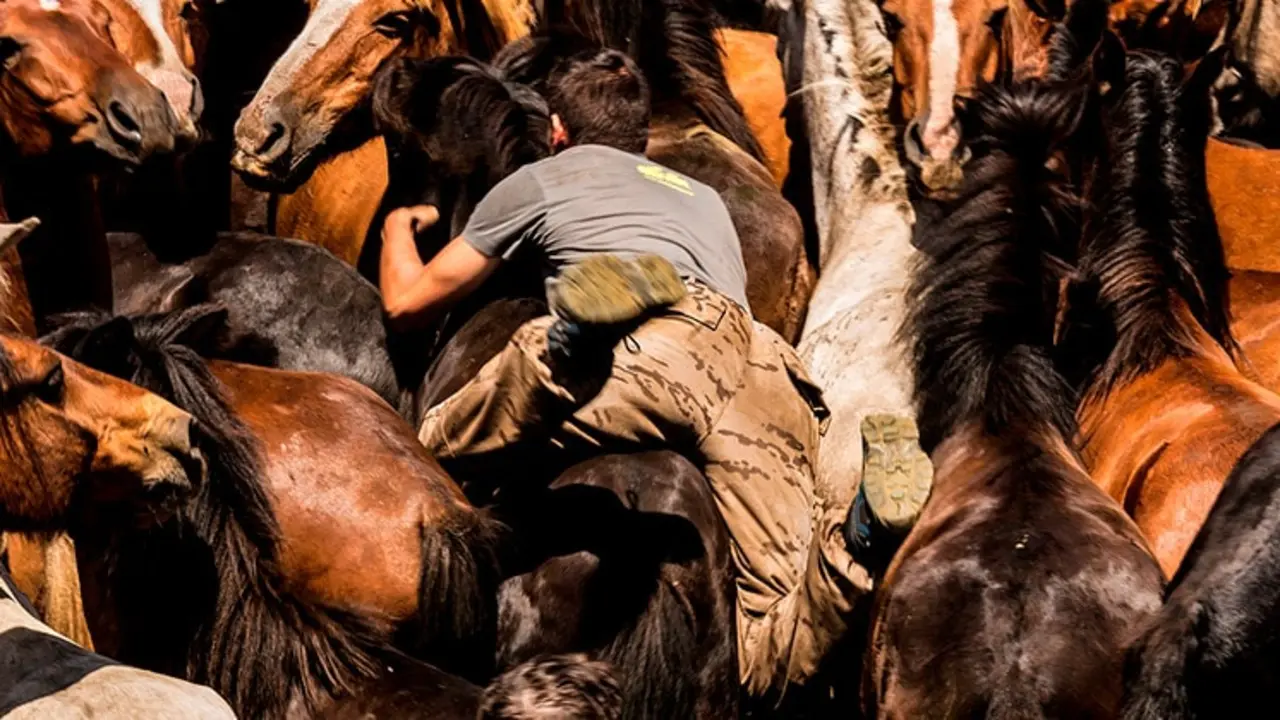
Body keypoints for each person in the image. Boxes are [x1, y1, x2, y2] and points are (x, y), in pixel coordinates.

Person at [379, 48, 933, 700]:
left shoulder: (543, 178)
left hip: (649, 347)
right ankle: (862, 535)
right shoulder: (702, 198)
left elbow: (406, 305)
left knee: (441, 439)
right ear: (641, 137)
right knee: (765, 652)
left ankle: (565, 350)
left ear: (558, 130)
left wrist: (396, 229)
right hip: (758, 365)